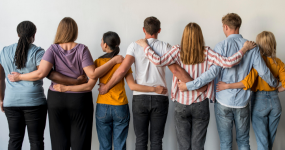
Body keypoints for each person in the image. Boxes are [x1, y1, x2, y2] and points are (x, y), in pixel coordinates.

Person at [7, 18, 124, 150]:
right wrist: (114, 61)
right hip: (80, 100)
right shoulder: (82, 49)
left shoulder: (52, 49)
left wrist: (20, 77)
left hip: (56, 99)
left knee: (59, 145)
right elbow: (92, 74)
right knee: (81, 144)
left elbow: (41, 73)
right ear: (74, 31)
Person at [135, 22, 256, 150]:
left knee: (183, 146)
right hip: (201, 103)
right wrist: (243, 49)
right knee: (198, 146)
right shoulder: (207, 51)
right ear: (200, 36)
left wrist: (145, 46)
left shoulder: (177, 50)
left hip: (181, 103)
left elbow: (158, 61)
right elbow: (228, 62)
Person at [98, 16, 201, 150]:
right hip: (160, 96)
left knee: (140, 140)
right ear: (159, 30)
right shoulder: (165, 46)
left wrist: (106, 86)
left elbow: (122, 69)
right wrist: (196, 85)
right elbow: (175, 69)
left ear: (143, 29)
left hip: (140, 98)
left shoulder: (134, 46)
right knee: (157, 140)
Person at [178, 13, 278, 150]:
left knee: (225, 143)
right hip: (243, 102)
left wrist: (189, 85)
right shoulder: (251, 46)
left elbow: (211, 73)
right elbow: (264, 71)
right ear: (238, 26)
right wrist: (275, 84)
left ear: (226, 27)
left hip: (223, 101)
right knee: (243, 142)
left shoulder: (221, 46)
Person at [53, 31, 167, 150]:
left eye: (101, 41)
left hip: (103, 107)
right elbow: (132, 85)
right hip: (120, 106)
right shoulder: (123, 62)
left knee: (104, 147)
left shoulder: (97, 63)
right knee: (120, 146)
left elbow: (88, 85)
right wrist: (154, 89)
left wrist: (68, 86)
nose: (101, 43)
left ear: (106, 45)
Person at [0, 21, 87, 150]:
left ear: (18, 34)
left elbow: (0, 78)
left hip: (11, 102)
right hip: (34, 102)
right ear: (34, 34)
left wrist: (1, 99)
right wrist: (76, 81)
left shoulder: (4, 51)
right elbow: (47, 74)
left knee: (14, 139)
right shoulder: (37, 52)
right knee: (36, 140)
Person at [216, 31, 284, 150]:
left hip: (259, 101)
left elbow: (246, 83)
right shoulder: (278, 63)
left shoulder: (258, 62)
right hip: (275, 102)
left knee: (262, 140)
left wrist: (227, 86)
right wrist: (276, 90)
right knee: (269, 138)